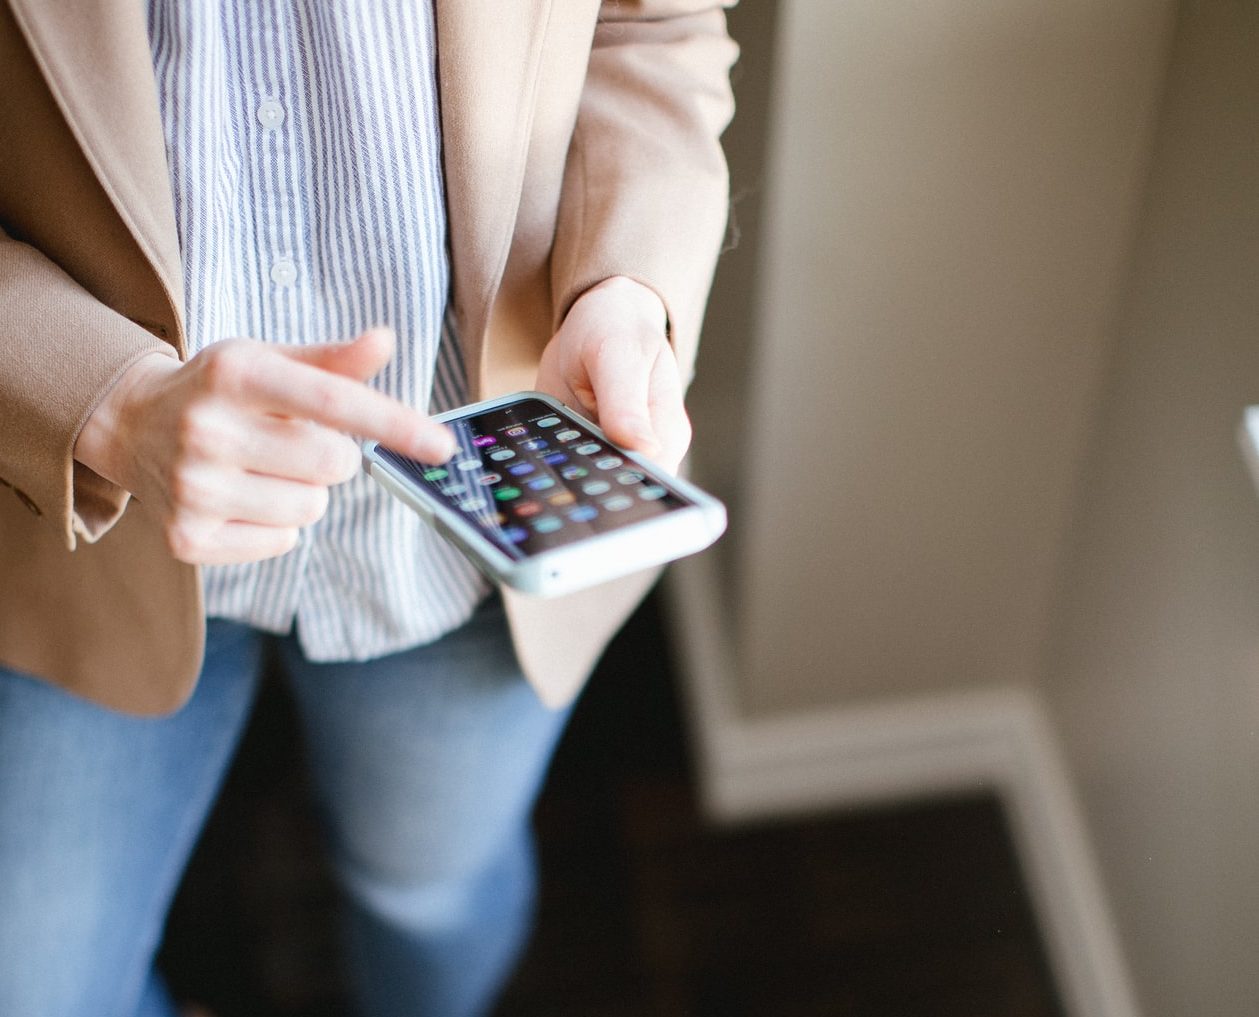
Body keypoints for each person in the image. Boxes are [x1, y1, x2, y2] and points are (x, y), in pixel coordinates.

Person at [0, 2, 737, 1016]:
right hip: (86, 515)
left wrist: (619, 282)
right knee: (34, 988)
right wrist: (105, 404)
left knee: (426, 901)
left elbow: (652, 28)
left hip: (463, 522)